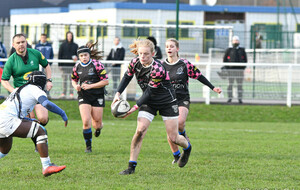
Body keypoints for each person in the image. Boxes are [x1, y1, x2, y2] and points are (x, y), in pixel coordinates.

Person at [112, 39, 191, 175]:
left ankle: (188, 148)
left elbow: (149, 91)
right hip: (149, 102)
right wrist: (117, 93)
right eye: (140, 54)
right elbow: (126, 77)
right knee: (140, 131)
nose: (143, 57)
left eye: (146, 54)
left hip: (167, 101)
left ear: (153, 54)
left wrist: (134, 107)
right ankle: (131, 167)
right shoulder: (134, 62)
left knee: (173, 138)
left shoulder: (158, 69)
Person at [163, 38, 222, 164]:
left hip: (182, 99)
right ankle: (177, 156)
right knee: (171, 133)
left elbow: (199, 76)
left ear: (177, 49)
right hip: (168, 101)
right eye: (167, 46)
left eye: (172, 46)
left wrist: (213, 87)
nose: (169, 48)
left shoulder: (184, 64)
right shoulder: (162, 66)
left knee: (180, 122)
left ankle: (184, 137)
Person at [0, 71, 68, 177]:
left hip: (3, 117)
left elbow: (16, 110)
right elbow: (45, 103)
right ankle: (46, 166)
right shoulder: (35, 89)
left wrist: (30, 121)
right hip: (7, 120)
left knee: (4, 150)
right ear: (42, 82)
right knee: (41, 131)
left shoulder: (20, 88)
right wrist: (62, 113)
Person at [1, 33, 53, 128]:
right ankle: (39, 138)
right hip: (22, 95)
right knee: (31, 119)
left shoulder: (35, 53)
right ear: (13, 45)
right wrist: (14, 91)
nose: (21, 44)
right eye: (18, 42)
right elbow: (4, 80)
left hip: (37, 90)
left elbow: (47, 65)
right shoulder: (11, 61)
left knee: (43, 118)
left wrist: (49, 80)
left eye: (23, 42)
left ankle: (38, 132)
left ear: (26, 43)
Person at [71, 42, 109, 153]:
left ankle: (99, 128)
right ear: (79, 57)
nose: (84, 57)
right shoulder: (77, 66)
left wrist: (90, 86)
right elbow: (73, 79)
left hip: (97, 95)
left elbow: (105, 81)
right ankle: (88, 147)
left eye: (85, 55)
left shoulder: (97, 64)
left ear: (89, 55)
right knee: (86, 121)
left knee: (97, 124)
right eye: (81, 56)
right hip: (84, 96)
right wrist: (76, 86)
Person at [223, 35, 247, 104]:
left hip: (239, 70)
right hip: (231, 70)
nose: (236, 41)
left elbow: (245, 60)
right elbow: (224, 60)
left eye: (237, 40)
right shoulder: (229, 50)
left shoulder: (242, 50)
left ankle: (240, 99)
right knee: (230, 84)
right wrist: (228, 68)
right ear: (232, 41)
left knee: (240, 85)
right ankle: (230, 98)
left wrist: (242, 68)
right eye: (234, 40)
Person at [58, 31, 78, 99]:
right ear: (66, 37)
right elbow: (59, 55)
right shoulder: (62, 45)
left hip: (72, 66)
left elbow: (77, 55)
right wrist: (59, 65)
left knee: (72, 80)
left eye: (71, 36)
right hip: (64, 66)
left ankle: (71, 93)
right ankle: (63, 93)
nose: (70, 37)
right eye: (68, 36)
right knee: (64, 80)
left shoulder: (75, 45)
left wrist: (76, 58)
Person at [35, 33, 54, 98]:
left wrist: (49, 64)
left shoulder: (49, 45)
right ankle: (40, 94)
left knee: (48, 79)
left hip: (47, 66)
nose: (43, 39)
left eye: (44, 37)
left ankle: (47, 94)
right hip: (39, 66)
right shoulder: (37, 46)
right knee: (40, 79)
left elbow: (52, 55)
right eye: (42, 37)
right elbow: (35, 55)